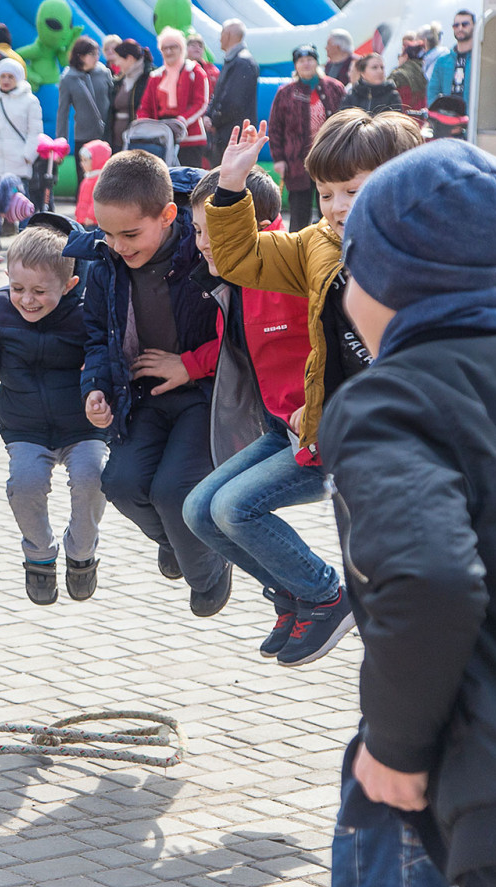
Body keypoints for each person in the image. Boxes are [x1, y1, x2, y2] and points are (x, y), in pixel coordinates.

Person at [318, 139, 496, 887]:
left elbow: (431, 578)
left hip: (448, 793)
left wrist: (397, 749)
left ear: (384, 279)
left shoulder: (388, 398)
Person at [203, 112, 424, 655]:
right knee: (206, 511)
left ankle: (376, 642)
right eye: (326, 194)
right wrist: (232, 185)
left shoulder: (436, 245)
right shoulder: (315, 245)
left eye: (353, 189)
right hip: (338, 435)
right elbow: (239, 256)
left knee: (397, 579)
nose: (338, 206)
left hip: (404, 444)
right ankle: (315, 600)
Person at [181, 165, 338, 664]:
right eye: (198, 232)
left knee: (235, 509)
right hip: (279, 427)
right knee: (198, 512)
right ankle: (293, 593)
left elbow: (334, 349)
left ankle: (327, 594)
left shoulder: (289, 273)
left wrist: (311, 414)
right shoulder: (232, 283)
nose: (202, 244)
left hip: (319, 433)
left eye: (208, 231)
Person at [67, 151, 230, 616]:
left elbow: (240, 332)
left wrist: (189, 366)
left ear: (168, 216)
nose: (117, 245)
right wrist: (94, 389)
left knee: (173, 492)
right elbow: (97, 335)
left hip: (205, 394)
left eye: (130, 234)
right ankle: (184, 539)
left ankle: (209, 568)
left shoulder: (205, 252)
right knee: (120, 483)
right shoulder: (102, 265)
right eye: (106, 233)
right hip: (141, 395)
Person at [0, 225, 108, 605]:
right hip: (24, 425)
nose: (27, 300)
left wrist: (100, 393)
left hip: (82, 425)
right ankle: (40, 556)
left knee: (95, 478)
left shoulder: (88, 312)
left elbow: (106, 360)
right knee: (23, 485)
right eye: (18, 288)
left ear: (70, 284)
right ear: (7, 277)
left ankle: (82, 552)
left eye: (40, 292)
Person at [266, 45, 345, 231]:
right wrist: (278, 159)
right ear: (296, 65)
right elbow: (276, 127)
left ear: (317, 61)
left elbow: (345, 119)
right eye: (301, 61)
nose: (306, 64)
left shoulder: (334, 88)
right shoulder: (285, 93)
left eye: (310, 59)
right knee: (299, 213)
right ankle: (296, 253)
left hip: (328, 159)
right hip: (296, 162)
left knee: (329, 209)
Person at [139, 27, 212, 168]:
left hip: (190, 138)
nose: (169, 51)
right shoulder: (156, 76)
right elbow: (145, 105)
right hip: (161, 137)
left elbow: (201, 103)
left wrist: (181, 122)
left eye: (173, 47)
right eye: (165, 48)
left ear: (181, 48)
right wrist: (146, 125)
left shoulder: (195, 71)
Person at [0, 60, 42, 188]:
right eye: (3, 76)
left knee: (18, 205)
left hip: (18, 166)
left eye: (10, 76)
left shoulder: (30, 101)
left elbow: (35, 133)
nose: (6, 80)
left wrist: (27, 157)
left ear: (18, 78)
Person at [57, 36, 112, 182]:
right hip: (83, 136)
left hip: (105, 135)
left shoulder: (104, 72)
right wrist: (61, 142)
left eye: (97, 54)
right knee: (85, 180)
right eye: (92, 54)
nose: (96, 58)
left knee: (106, 180)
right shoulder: (68, 78)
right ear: (80, 56)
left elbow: (113, 101)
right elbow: (63, 112)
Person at [206, 19, 258, 163]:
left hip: (233, 137)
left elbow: (233, 102)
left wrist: (214, 121)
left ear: (228, 35)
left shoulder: (242, 62)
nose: (220, 38)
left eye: (222, 33)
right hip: (228, 136)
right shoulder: (235, 60)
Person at [106, 39, 153, 151]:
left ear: (130, 59)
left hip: (139, 141)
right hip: (116, 141)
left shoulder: (149, 78)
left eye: (118, 59)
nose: (116, 63)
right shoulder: (118, 81)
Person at [426, 10, 475, 108]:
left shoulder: (480, 60)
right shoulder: (442, 61)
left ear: (475, 27)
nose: (460, 28)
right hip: (448, 120)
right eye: (456, 25)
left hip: (473, 120)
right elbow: (432, 93)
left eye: (465, 24)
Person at [74, 138, 112, 227]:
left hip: (92, 222)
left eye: (85, 160)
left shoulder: (100, 180)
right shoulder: (88, 177)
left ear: (97, 160)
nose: (82, 164)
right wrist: (78, 214)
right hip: (83, 220)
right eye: (82, 160)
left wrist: (91, 216)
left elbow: (96, 200)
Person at [390, 33, 429, 111]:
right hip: (421, 119)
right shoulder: (427, 71)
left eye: (400, 55)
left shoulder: (397, 75)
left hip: (402, 119)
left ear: (406, 56)